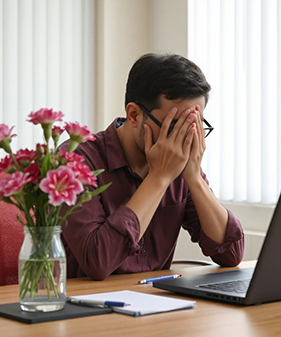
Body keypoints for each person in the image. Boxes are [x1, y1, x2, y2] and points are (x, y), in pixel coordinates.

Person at [60, 53, 245, 280]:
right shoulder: (75, 160)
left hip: (158, 305)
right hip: (87, 308)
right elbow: (98, 262)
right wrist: (158, 178)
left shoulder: (180, 163)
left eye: (195, 124)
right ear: (134, 115)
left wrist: (194, 178)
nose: (185, 137)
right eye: (175, 126)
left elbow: (231, 254)